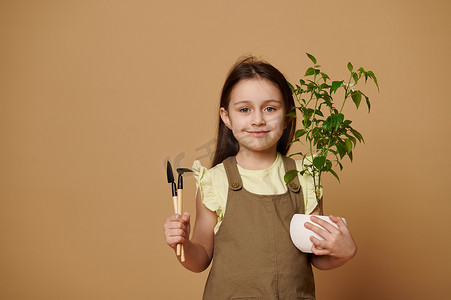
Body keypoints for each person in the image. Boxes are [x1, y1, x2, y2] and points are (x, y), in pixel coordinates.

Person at [163, 56, 357, 299]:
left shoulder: (305, 177)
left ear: (287, 116)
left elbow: (316, 256)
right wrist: (182, 244)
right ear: (226, 117)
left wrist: (344, 251)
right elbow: (200, 258)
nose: (258, 120)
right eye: (245, 109)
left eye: (270, 108)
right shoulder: (215, 181)